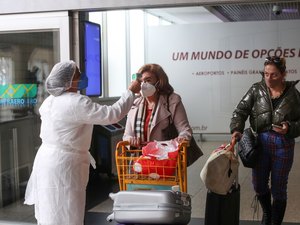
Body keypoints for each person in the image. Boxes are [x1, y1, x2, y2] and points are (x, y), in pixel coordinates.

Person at [24, 60, 141, 225]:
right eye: (78, 75)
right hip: (65, 165)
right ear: (68, 81)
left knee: (50, 209)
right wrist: (130, 92)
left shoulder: (50, 101)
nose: (82, 77)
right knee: (68, 211)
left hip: (47, 160)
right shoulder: (75, 102)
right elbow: (112, 114)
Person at [230, 56, 300, 225]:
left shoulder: (294, 95)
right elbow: (240, 111)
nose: (268, 78)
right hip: (259, 143)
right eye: (266, 74)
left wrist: (289, 128)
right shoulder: (256, 89)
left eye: (274, 75)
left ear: (283, 74)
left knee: (279, 188)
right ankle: (267, 213)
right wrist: (236, 129)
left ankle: (274, 222)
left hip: (283, 145)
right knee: (259, 184)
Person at [123, 63, 192, 148]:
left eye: (148, 80)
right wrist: (130, 140)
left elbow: (185, 130)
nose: (143, 84)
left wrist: (180, 140)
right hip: (140, 158)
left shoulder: (173, 101)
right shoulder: (134, 104)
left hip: (166, 157)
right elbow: (126, 136)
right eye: (141, 81)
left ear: (159, 82)